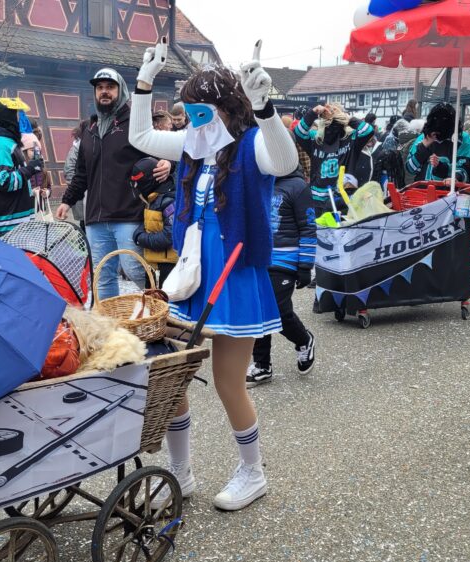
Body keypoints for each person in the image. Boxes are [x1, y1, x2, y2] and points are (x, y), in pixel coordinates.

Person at [130, 38, 298, 511]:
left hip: (234, 278)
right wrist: (144, 82)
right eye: (189, 113)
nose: (193, 122)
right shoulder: (193, 146)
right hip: (190, 277)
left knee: (228, 382)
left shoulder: (250, 146)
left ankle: (252, 472)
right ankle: (180, 473)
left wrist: (266, 108)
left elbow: (285, 162)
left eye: (201, 112)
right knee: (171, 375)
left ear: (225, 109)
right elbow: (140, 137)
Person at [56, 68, 170, 300]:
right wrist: (67, 201)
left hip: (128, 213)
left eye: (110, 87)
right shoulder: (90, 128)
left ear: (121, 90)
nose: (104, 92)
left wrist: (169, 163)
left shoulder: (135, 123)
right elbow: (81, 173)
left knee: (135, 270)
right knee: (102, 275)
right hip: (96, 217)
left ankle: (158, 314)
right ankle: (109, 319)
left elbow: (162, 151)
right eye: (100, 88)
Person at [247, 162, 316, 385]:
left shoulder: (298, 186)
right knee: (257, 311)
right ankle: (262, 365)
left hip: (285, 260)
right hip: (258, 258)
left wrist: (305, 266)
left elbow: (308, 227)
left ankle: (304, 340)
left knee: (278, 310)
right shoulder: (258, 182)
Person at [293, 102, 375, 213]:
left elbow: (368, 130)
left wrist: (347, 118)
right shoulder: (316, 138)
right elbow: (298, 132)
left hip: (342, 196)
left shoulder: (351, 138)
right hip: (318, 199)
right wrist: (313, 112)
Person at [0, 99, 44, 236]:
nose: (22, 120)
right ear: (10, 118)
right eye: (19, 115)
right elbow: (4, 181)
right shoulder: (1, 144)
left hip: (15, 220)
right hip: (5, 224)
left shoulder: (8, 141)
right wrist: (30, 169)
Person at [130, 157, 177, 285]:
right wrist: (139, 233)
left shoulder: (169, 201)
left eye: (138, 184)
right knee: (151, 296)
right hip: (153, 263)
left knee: (165, 296)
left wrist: (141, 238)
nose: (137, 188)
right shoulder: (152, 200)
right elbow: (149, 223)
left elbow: (170, 235)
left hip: (169, 266)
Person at [405, 103, 470, 183]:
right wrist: (424, 146)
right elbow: (410, 168)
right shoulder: (423, 137)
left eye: (444, 119)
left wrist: (455, 177)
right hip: (422, 188)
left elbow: (464, 169)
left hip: (448, 189)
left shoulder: (463, 139)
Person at [63, 119, 89, 226]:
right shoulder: (77, 148)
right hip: (82, 195)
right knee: (85, 224)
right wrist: (77, 189)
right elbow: (69, 170)